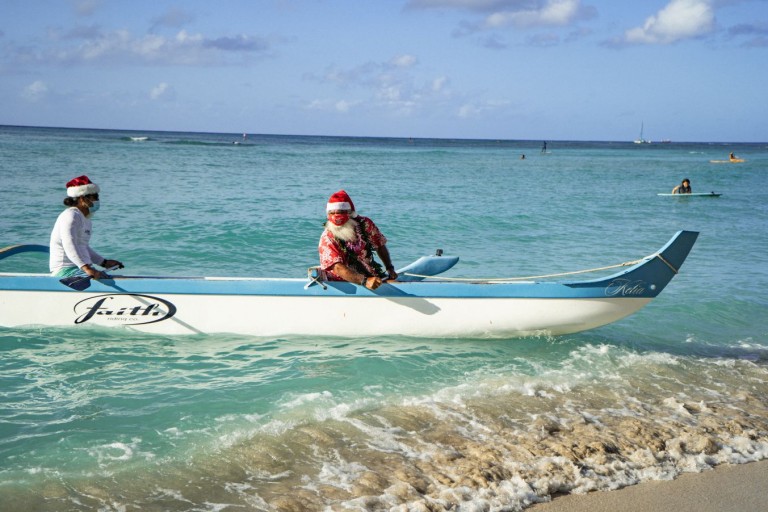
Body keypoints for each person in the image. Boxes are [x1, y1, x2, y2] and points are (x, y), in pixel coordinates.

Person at [318, 190, 397, 290]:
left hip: (369, 274)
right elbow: (337, 267)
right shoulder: (327, 237)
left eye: (340, 213)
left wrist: (389, 268)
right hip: (340, 283)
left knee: (394, 283)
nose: (336, 217)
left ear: (349, 213)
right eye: (332, 213)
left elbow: (379, 245)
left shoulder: (364, 224)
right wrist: (364, 281)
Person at [49, 175, 124, 279]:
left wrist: (104, 262)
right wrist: (86, 268)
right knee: (102, 279)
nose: (98, 200)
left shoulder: (86, 219)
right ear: (83, 198)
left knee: (105, 277)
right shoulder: (70, 216)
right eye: (95, 197)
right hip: (65, 270)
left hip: (80, 268)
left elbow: (82, 246)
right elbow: (69, 244)